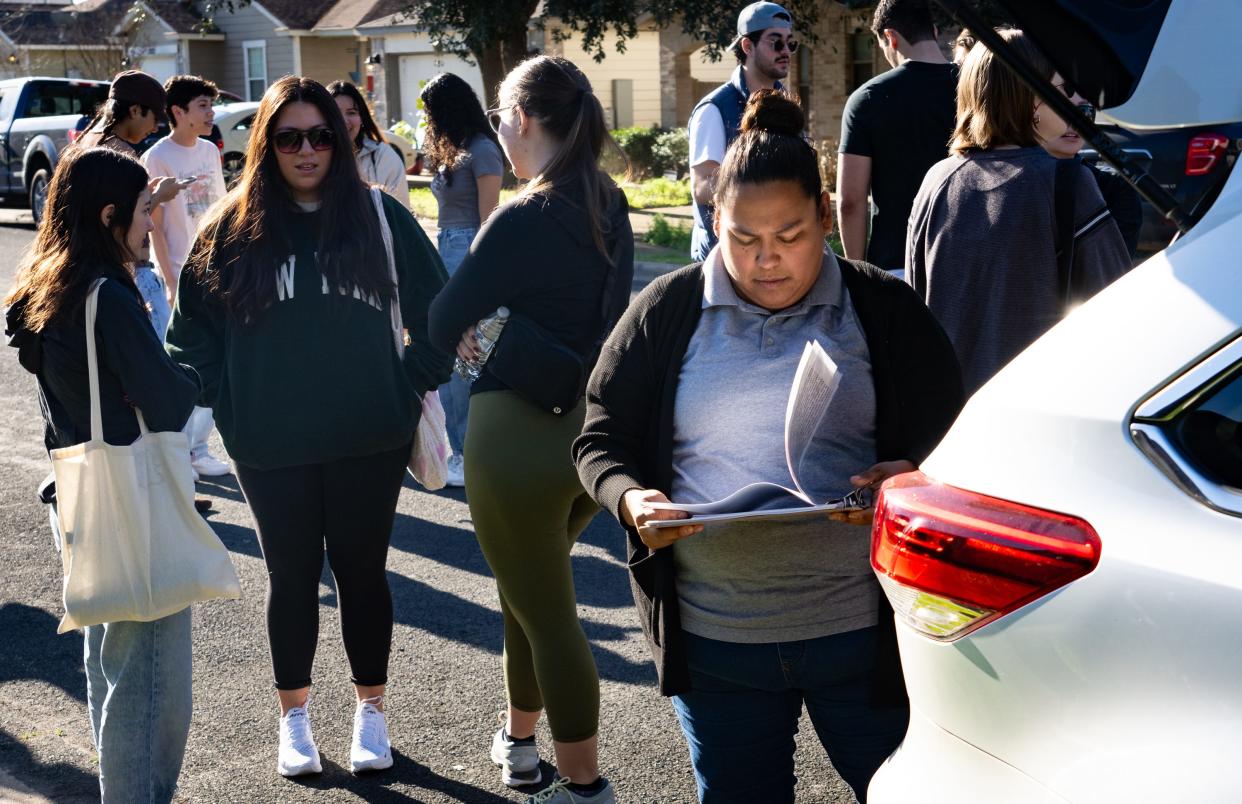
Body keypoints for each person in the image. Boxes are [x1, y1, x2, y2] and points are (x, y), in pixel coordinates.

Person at [573, 90, 964, 804]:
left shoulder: (882, 307)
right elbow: (601, 437)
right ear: (713, 222)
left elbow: (961, 434)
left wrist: (909, 480)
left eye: (790, 235)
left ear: (824, 214)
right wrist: (630, 499)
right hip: (717, 640)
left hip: (864, 636)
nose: (768, 260)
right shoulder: (666, 310)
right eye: (744, 239)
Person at [164, 75, 451, 778]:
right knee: (291, 578)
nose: (307, 150)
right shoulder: (230, 227)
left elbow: (442, 311)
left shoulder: (379, 217)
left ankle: (371, 713)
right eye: (288, 136)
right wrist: (230, 400)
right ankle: (293, 717)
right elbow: (187, 338)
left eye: (321, 134)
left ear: (342, 138)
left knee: (362, 574)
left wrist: (406, 383)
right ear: (266, 143)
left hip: (369, 438)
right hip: (269, 445)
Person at [428, 55, 633, 804]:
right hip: (589, 443)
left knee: (548, 617)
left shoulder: (522, 214)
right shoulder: (607, 201)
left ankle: (584, 789)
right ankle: (519, 744)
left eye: (500, 119)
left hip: (514, 437)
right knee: (529, 596)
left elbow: (445, 318)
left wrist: (498, 338)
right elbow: (614, 328)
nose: (499, 133)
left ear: (521, 119)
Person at [4, 146, 201, 803]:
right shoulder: (107, 299)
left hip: (80, 497)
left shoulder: (47, 287)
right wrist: (193, 372)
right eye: (145, 211)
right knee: (150, 683)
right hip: (131, 504)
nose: (152, 223)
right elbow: (169, 400)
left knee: (112, 668)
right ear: (112, 214)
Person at [906, 29, 1132, 395]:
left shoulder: (937, 179)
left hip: (946, 418)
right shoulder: (1065, 181)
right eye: (1061, 89)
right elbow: (1118, 312)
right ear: (1024, 94)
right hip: (1040, 414)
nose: (1075, 103)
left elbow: (915, 312)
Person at [143, 74, 232, 480]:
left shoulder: (211, 151)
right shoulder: (158, 157)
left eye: (211, 106)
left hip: (219, 265)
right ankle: (181, 449)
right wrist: (170, 277)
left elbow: (219, 206)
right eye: (202, 106)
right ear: (178, 112)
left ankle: (197, 447)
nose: (210, 113)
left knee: (218, 358)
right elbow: (155, 226)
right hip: (181, 270)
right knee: (186, 363)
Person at [418, 71, 504, 487]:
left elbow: (489, 220)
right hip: (447, 246)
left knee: (461, 353)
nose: (428, 120)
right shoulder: (458, 149)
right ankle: (461, 450)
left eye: (431, 111)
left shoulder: (484, 149)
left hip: (468, 249)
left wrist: (480, 273)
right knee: (453, 352)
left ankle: (466, 452)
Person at [837, 0, 957, 275]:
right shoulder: (975, 89)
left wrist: (858, 274)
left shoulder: (866, 99)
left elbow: (851, 202)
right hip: (967, 258)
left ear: (890, 37)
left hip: (895, 264)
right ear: (935, 32)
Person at [688, 1, 795, 261]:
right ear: (748, 46)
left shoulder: (787, 104)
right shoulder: (715, 109)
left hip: (776, 257)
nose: (786, 51)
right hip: (725, 261)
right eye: (775, 42)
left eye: (790, 43)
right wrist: (763, 196)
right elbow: (702, 187)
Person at [1036, 80, 1143, 259]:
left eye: (1085, 111)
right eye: (1060, 110)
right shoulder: (1013, 182)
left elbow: (1115, 271)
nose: (1073, 122)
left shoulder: (1117, 192)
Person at [328, 80, 411, 210]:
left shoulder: (383, 156)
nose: (344, 120)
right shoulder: (313, 156)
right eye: (336, 113)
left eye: (351, 112)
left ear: (362, 118)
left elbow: (399, 213)